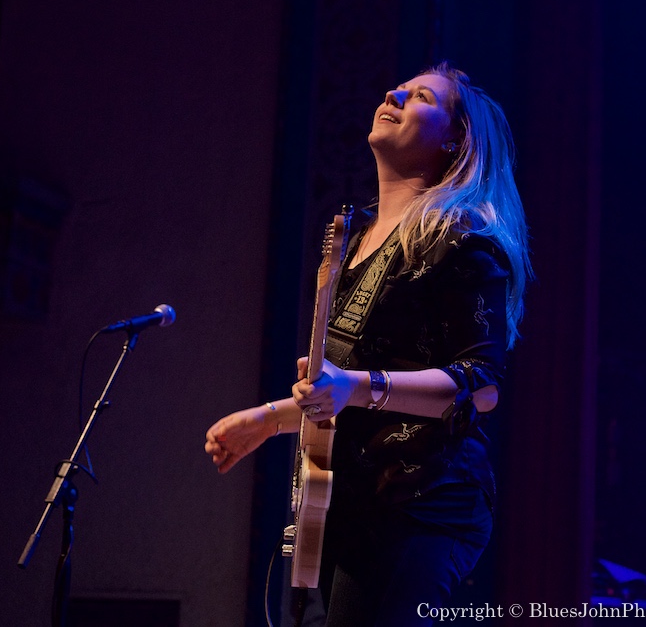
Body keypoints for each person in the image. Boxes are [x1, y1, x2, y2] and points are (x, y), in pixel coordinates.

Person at [204, 62, 531, 626]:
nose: (394, 93)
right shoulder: (352, 243)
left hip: (424, 501)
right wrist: (268, 418)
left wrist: (353, 384)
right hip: (358, 501)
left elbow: (482, 388)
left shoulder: (462, 241)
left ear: (456, 138)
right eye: (398, 87)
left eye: (421, 96)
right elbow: (343, 391)